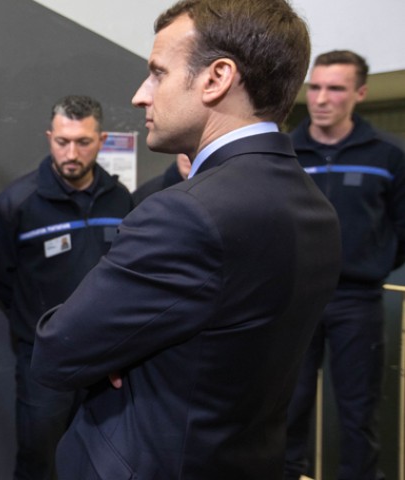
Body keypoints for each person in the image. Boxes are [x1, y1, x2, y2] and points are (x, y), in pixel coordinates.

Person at [30, 1, 343, 478]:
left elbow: (58, 349)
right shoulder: (316, 208)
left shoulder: (185, 211)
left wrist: (120, 350)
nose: (140, 95)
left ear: (215, 79)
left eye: (158, 74)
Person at [0, 94, 133, 480]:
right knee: (40, 460)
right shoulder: (16, 204)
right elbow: (1, 281)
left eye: (83, 142)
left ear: (100, 141)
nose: (72, 152)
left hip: (106, 357)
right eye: (62, 141)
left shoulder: (119, 199)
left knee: (102, 459)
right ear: (49, 137)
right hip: (44, 361)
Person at [284, 50, 405, 480]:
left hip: (357, 300)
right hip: (295, 301)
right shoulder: (284, 153)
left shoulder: (388, 154)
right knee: (287, 406)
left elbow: (401, 225)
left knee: (358, 411)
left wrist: (373, 262)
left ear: (360, 93)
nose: (321, 98)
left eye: (335, 88)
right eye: (314, 87)